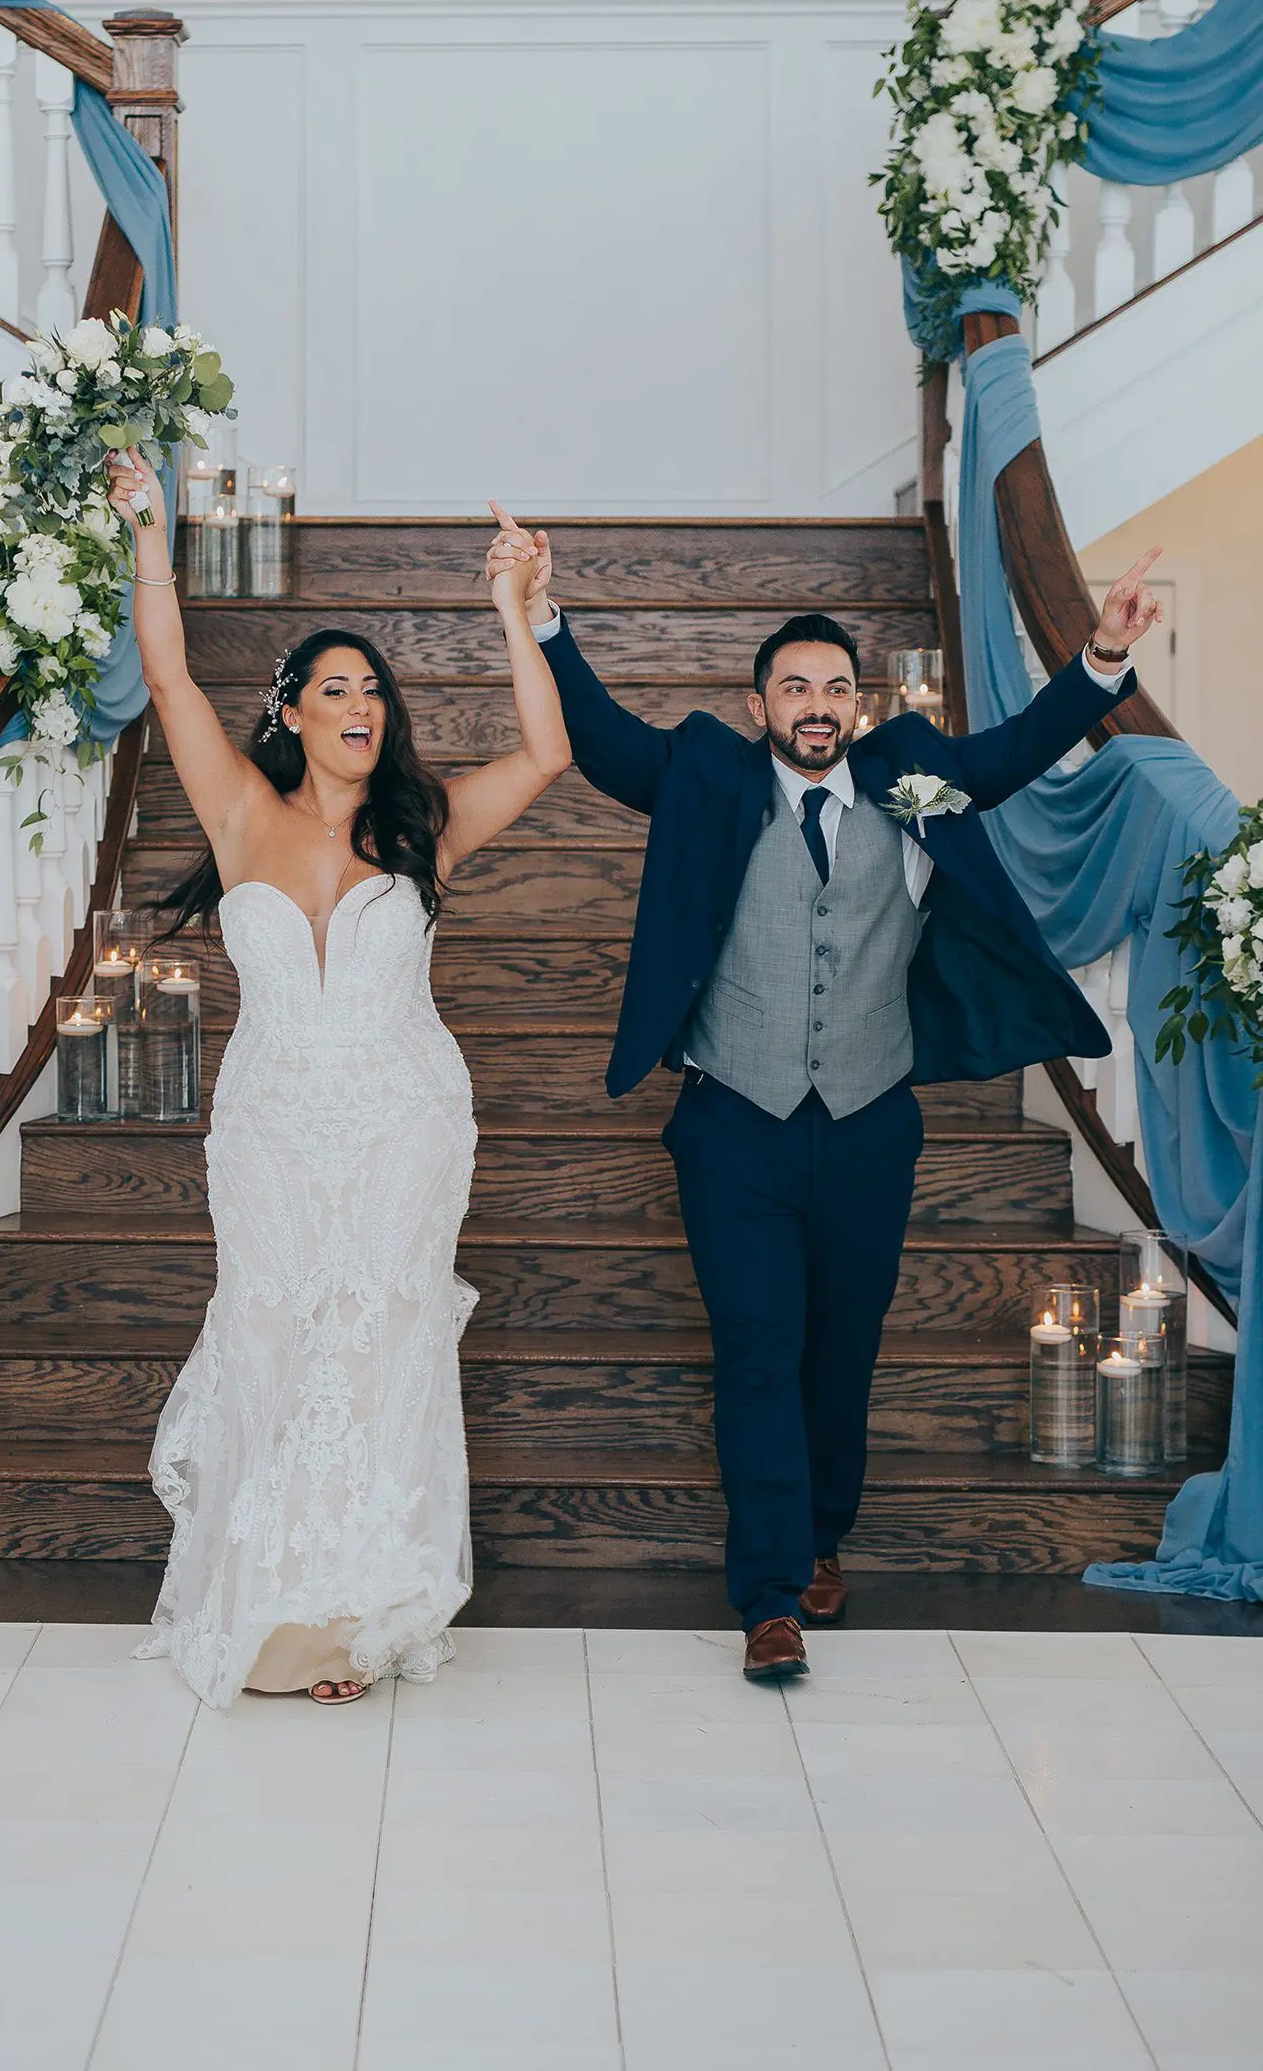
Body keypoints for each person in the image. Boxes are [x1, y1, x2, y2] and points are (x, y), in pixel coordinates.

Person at [487, 503, 1162, 1685]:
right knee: (756, 1351)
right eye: (792, 686)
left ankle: (821, 1540)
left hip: (866, 1124)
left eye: (832, 687)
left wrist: (1101, 656)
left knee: (839, 1354)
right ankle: (769, 1597)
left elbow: (1013, 748)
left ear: (856, 704)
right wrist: (543, 612)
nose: (814, 704)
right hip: (732, 1125)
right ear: (760, 708)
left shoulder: (913, 775)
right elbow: (599, 739)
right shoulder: (704, 770)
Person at [107, 456, 570, 1709]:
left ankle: (350, 1620)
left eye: (374, 690)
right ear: (294, 711)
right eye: (336, 689)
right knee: (270, 1334)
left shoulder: (424, 828)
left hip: (401, 1121)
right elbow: (163, 672)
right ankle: (269, 1602)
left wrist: (513, 605)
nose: (361, 705)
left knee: (372, 1348)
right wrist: (151, 530)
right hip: (267, 1125)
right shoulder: (240, 813)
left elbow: (546, 748)